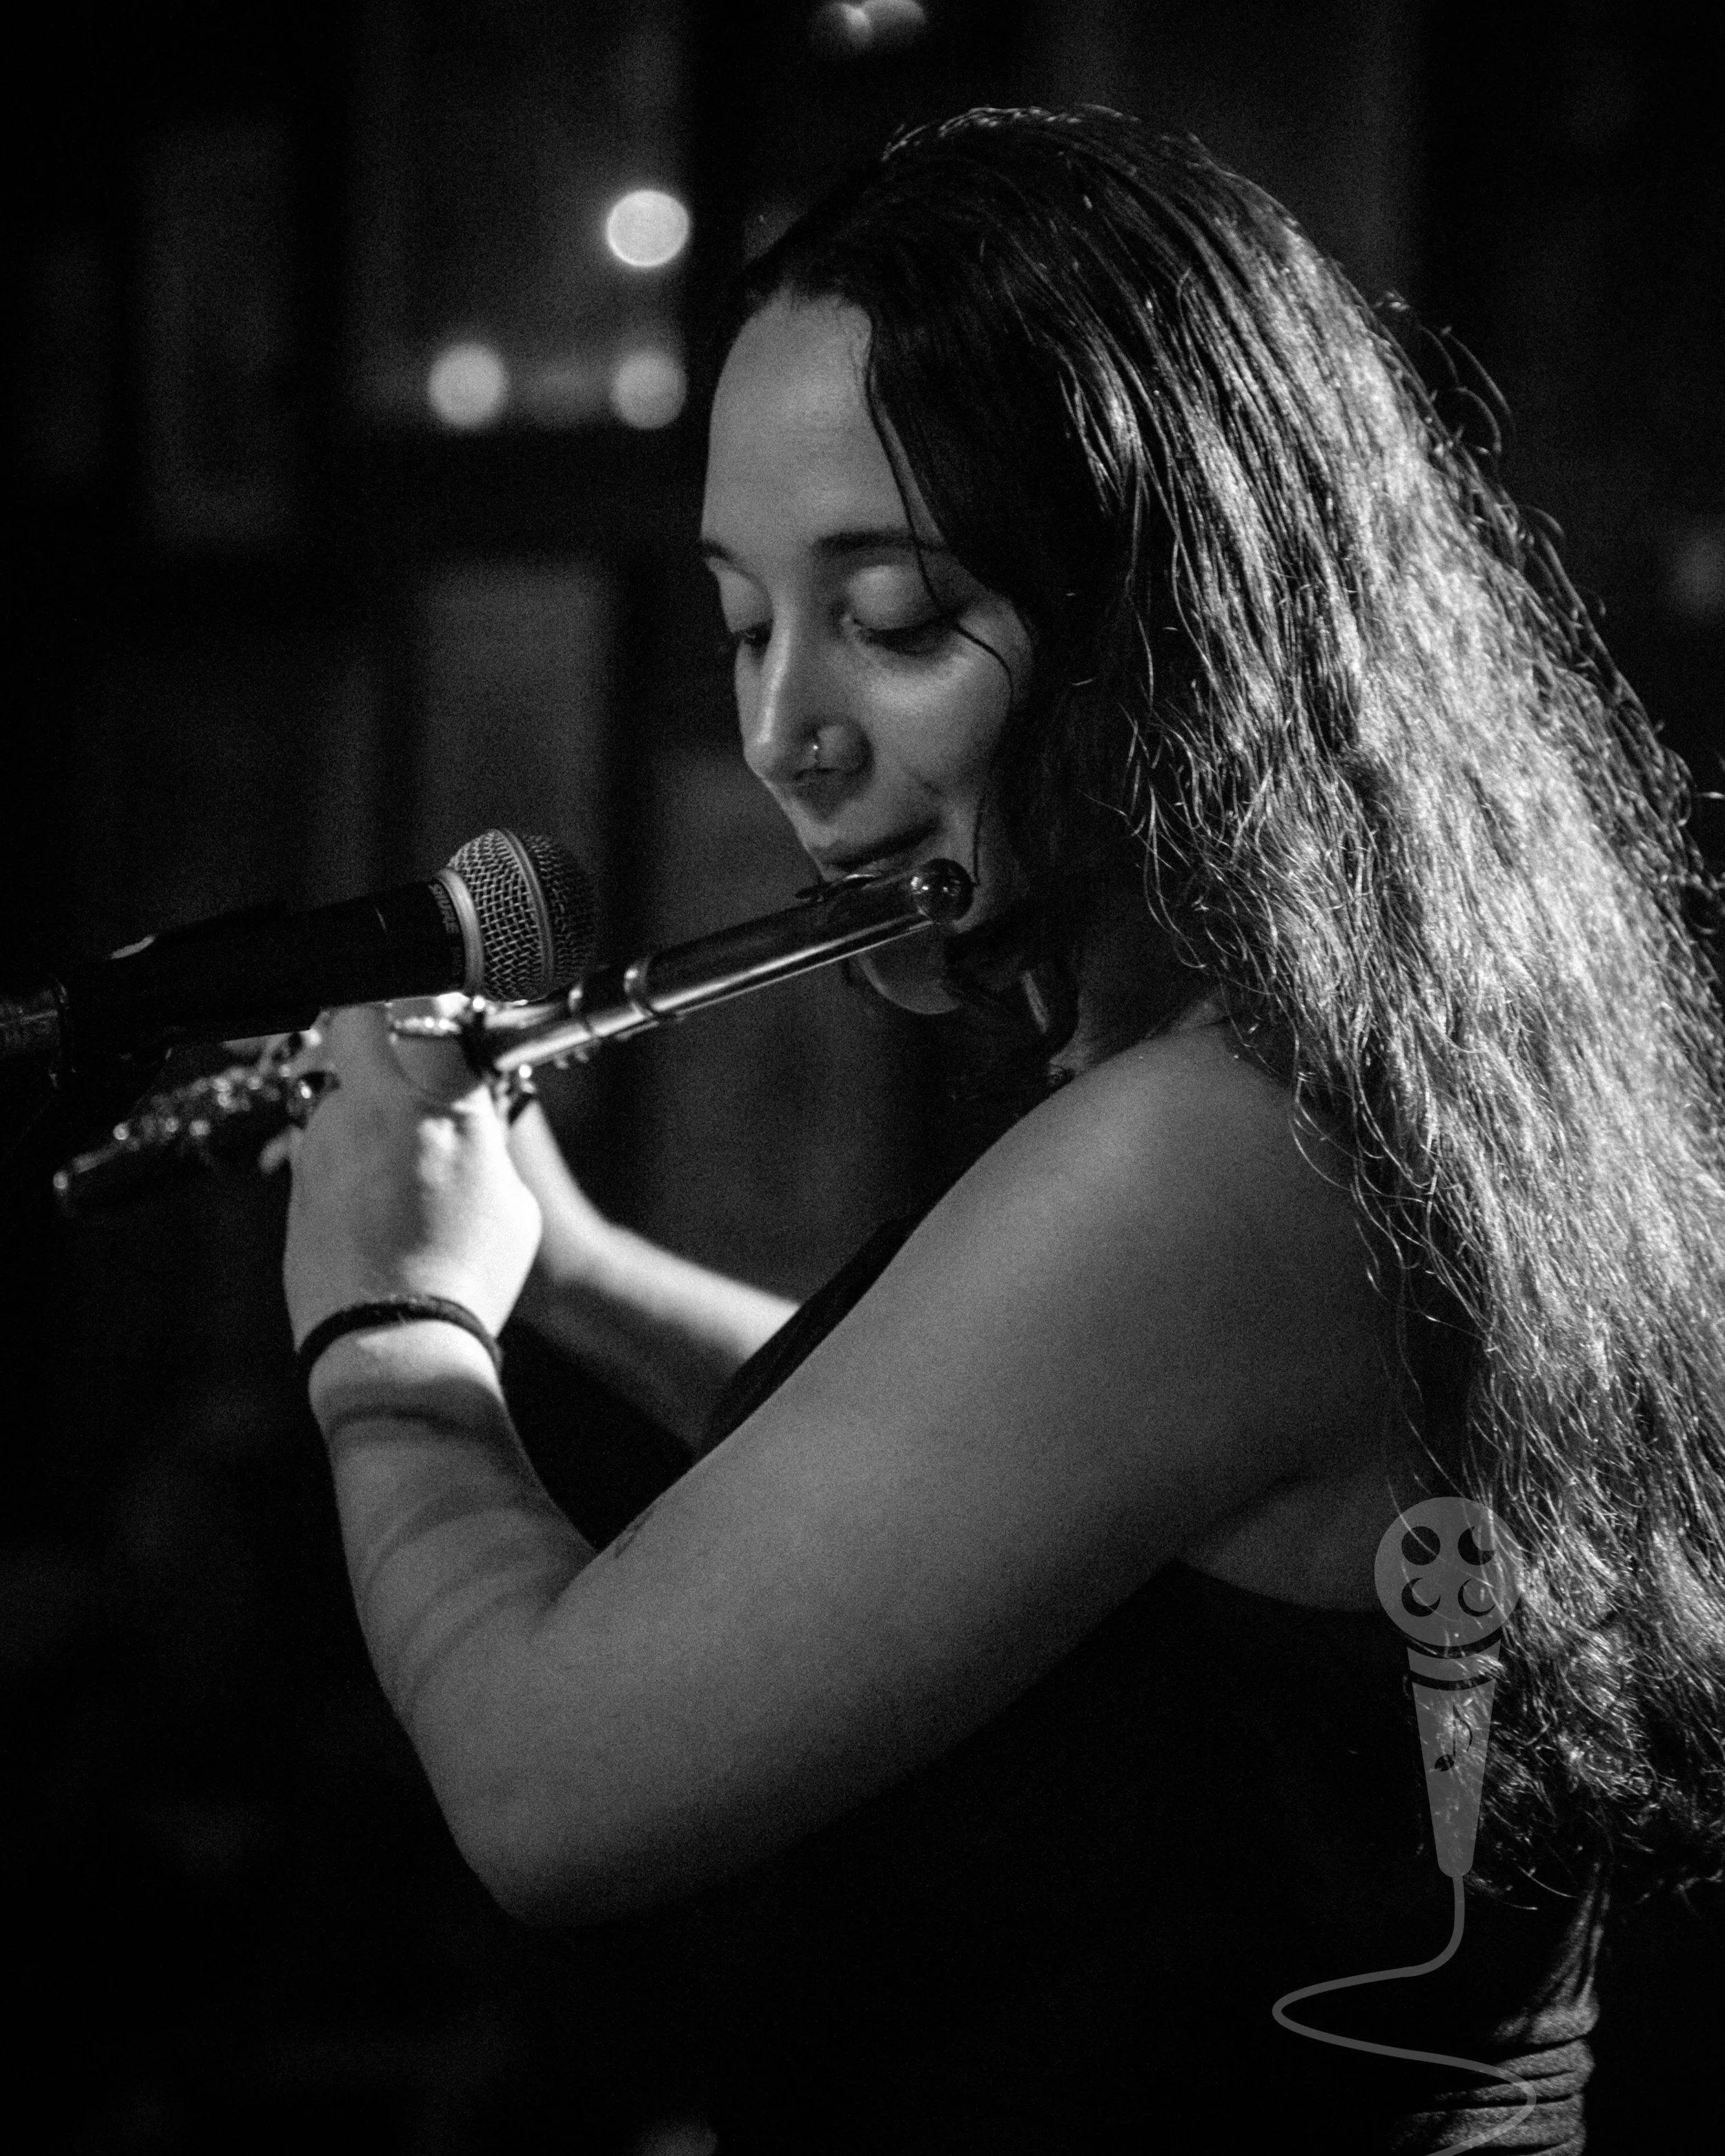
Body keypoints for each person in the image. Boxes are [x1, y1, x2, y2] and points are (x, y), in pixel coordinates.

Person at [281, 108, 1725, 2152]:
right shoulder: (1335, 1086)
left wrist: (389, 1341)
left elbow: (545, 1786)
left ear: (1168, 626)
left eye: (882, 616)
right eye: (742, 616)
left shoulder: (1201, 1158)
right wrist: (574, 1268)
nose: (783, 731)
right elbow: (969, 1497)